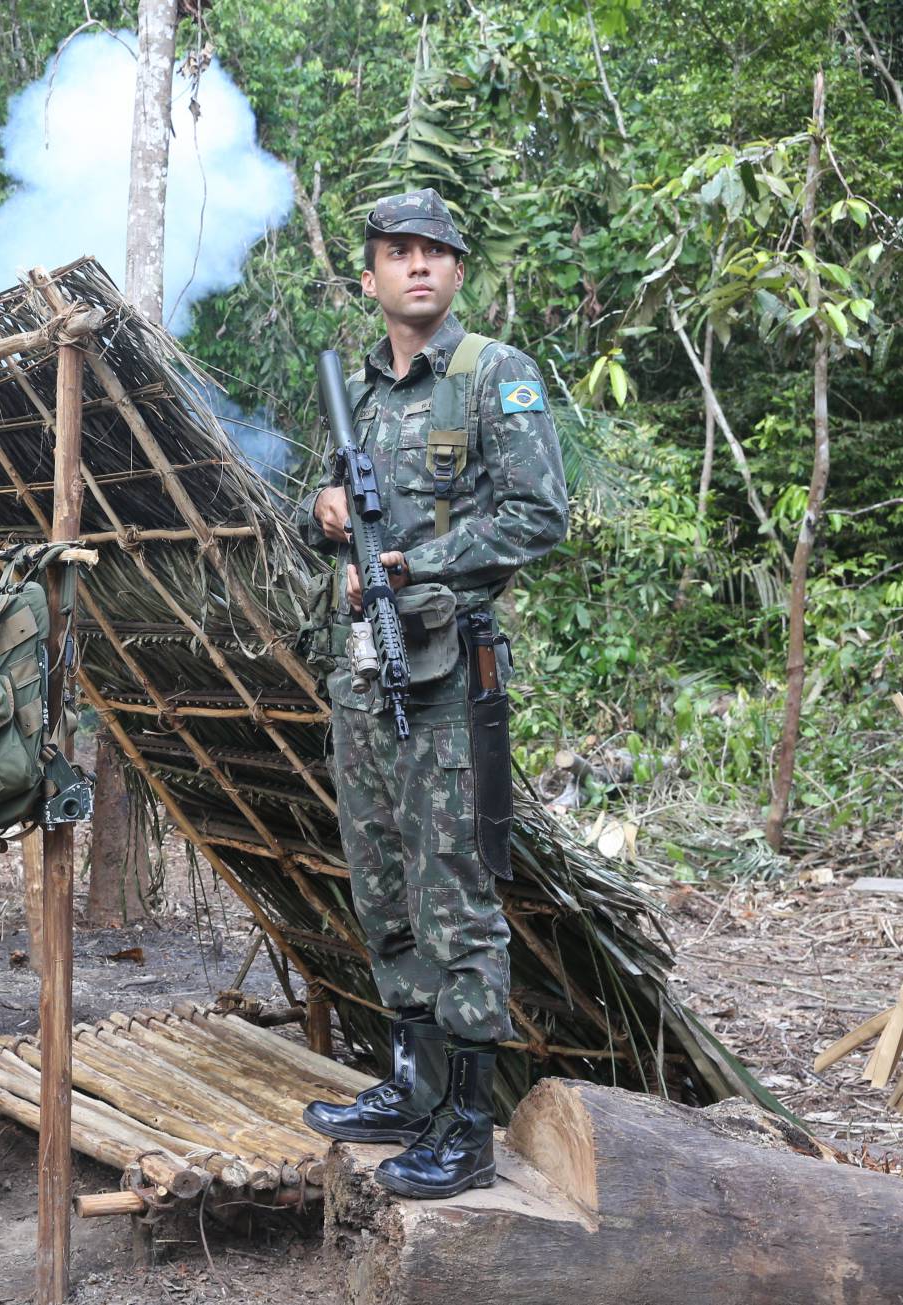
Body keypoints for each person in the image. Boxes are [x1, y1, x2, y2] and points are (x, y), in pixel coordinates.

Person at [295, 189, 569, 1198]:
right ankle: (411, 1086)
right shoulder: (358, 393)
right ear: (369, 276)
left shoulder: (494, 375)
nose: (416, 266)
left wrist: (414, 564)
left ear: (457, 271)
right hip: (366, 673)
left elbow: (538, 517)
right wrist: (322, 510)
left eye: (434, 252)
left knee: (453, 892)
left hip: (449, 676)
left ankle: (466, 1123)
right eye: (396, 252)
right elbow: (315, 514)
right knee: (379, 882)